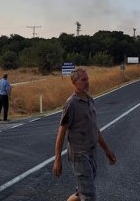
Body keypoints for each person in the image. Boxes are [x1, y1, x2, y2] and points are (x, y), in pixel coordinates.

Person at [53, 68, 116, 201]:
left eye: (87, 79)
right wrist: (57, 159)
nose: (87, 82)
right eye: (83, 80)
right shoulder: (71, 103)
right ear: (74, 82)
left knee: (81, 192)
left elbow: (95, 129)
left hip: (91, 154)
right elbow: (62, 131)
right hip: (79, 155)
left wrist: (107, 151)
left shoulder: (90, 100)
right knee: (89, 196)